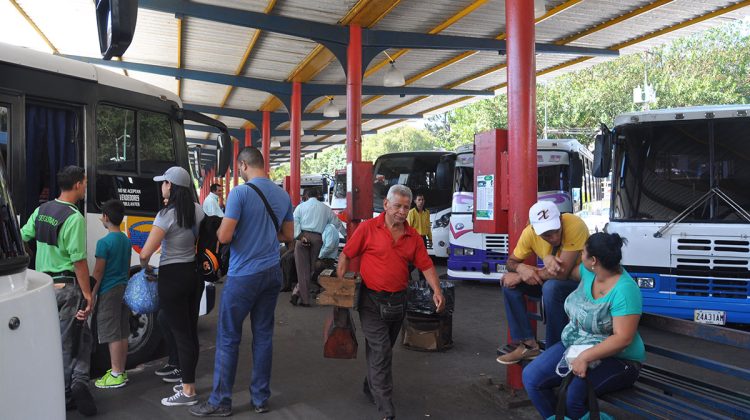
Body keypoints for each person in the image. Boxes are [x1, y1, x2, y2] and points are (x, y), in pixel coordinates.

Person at [190, 147, 294, 417]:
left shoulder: (240, 193)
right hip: (272, 273)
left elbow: (224, 237)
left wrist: (241, 233)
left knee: (228, 338)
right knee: (262, 337)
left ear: (243, 166)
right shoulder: (283, 195)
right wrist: (264, 236)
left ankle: (221, 401)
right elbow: (288, 235)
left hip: (244, 275)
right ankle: (260, 399)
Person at [337, 184, 445, 420]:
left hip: (398, 302)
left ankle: (370, 385)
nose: (402, 211)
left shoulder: (412, 236)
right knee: (382, 349)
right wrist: (340, 284)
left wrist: (437, 290)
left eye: (406, 207)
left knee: (380, 350)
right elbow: (346, 255)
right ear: (386, 205)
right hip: (370, 301)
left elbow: (426, 265)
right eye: (397, 206)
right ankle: (386, 406)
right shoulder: (367, 229)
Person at [523, 233, 644, 419]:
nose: (580, 255)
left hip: (619, 359)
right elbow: (561, 271)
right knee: (532, 378)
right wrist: (541, 262)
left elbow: (623, 338)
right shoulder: (588, 272)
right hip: (577, 343)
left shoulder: (625, 291)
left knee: (573, 396)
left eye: (583, 253)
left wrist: (586, 356)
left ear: (593, 260)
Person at [20, 165, 96, 416]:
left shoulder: (42, 210)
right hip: (67, 289)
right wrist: (87, 294)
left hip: (43, 288)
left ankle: (68, 384)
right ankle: (63, 393)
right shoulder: (74, 218)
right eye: (84, 182)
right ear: (77, 185)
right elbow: (79, 261)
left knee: (54, 340)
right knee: (69, 342)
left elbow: (23, 237)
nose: (85, 186)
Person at [140, 166, 205, 406]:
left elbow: (146, 252)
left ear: (171, 186)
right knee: (190, 331)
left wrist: (145, 267)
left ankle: (188, 392)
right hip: (193, 275)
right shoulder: (198, 211)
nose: (161, 186)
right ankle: (189, 380)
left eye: (164, 182)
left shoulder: (166, 215)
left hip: (172, 277)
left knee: (181, 334)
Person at [497, 200, 589, 365]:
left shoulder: (574, 224)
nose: (553, 237)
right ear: (534, 229)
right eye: (546, 234)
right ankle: (528, 344)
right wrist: (521, 268)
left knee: (551, 287)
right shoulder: (529, 233)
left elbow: (562, 273)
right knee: (508, 284)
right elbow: (510, 262)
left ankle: (555, 349)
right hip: (552, 279)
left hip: (581, 285)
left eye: (556, 231)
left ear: (561, 220)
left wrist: (522, 275)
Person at [92, 199, 132, 389]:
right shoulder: (125, 239)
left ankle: (116, 374)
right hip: (124, 288)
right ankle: (121, 370)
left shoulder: (104, 243)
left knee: (111, 332)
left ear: (106, 217)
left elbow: (98, 272)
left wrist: (91, 293)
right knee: (122, 329)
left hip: (108, 290)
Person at [290, 187, 338, 307]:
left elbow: (294, 222)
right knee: (311, 269)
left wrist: (300, 236)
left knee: (302, 270)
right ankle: (298, 293)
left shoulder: (300, 207)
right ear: (317, 195)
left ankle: (304, 299)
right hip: (318, 239)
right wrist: (347, 234)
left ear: (306, 196)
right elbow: (336, 222)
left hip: (303, 238)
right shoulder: (326, 208)